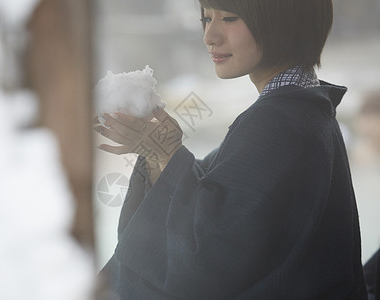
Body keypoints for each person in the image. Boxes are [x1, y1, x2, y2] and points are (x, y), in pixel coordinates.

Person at [94, 0, 368, 298]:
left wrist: (166, 152)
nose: (209, 36)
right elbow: (220, 195)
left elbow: (206, 265)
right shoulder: (301, 108)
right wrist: (158, 152)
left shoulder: (278, 122)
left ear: (283, 21)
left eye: (229, 18)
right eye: (206, 18)